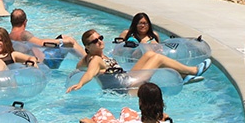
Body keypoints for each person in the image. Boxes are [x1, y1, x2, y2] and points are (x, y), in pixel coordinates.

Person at [66, 29, 210, 93]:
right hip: (126, 86)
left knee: (149, 56)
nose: (99, 42)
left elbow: (81, 66)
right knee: (157, 58)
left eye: (100, 38)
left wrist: (83, 62)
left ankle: (184, 77)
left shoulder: (94, 57)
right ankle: (193, 70)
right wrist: (80, 83)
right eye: (94, 41)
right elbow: (90, 72)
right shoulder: (96, 59)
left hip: (126, 77)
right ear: (88, 47)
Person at [8, 8, 84, 56]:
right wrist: (61, 41)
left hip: (31, 62)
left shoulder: (9, 36)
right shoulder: (23, 34)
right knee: (70, 41)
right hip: (46, 62)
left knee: (64, 38)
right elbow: (41, 43)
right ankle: (87, 59)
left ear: (11, 21)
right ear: (25, 22)